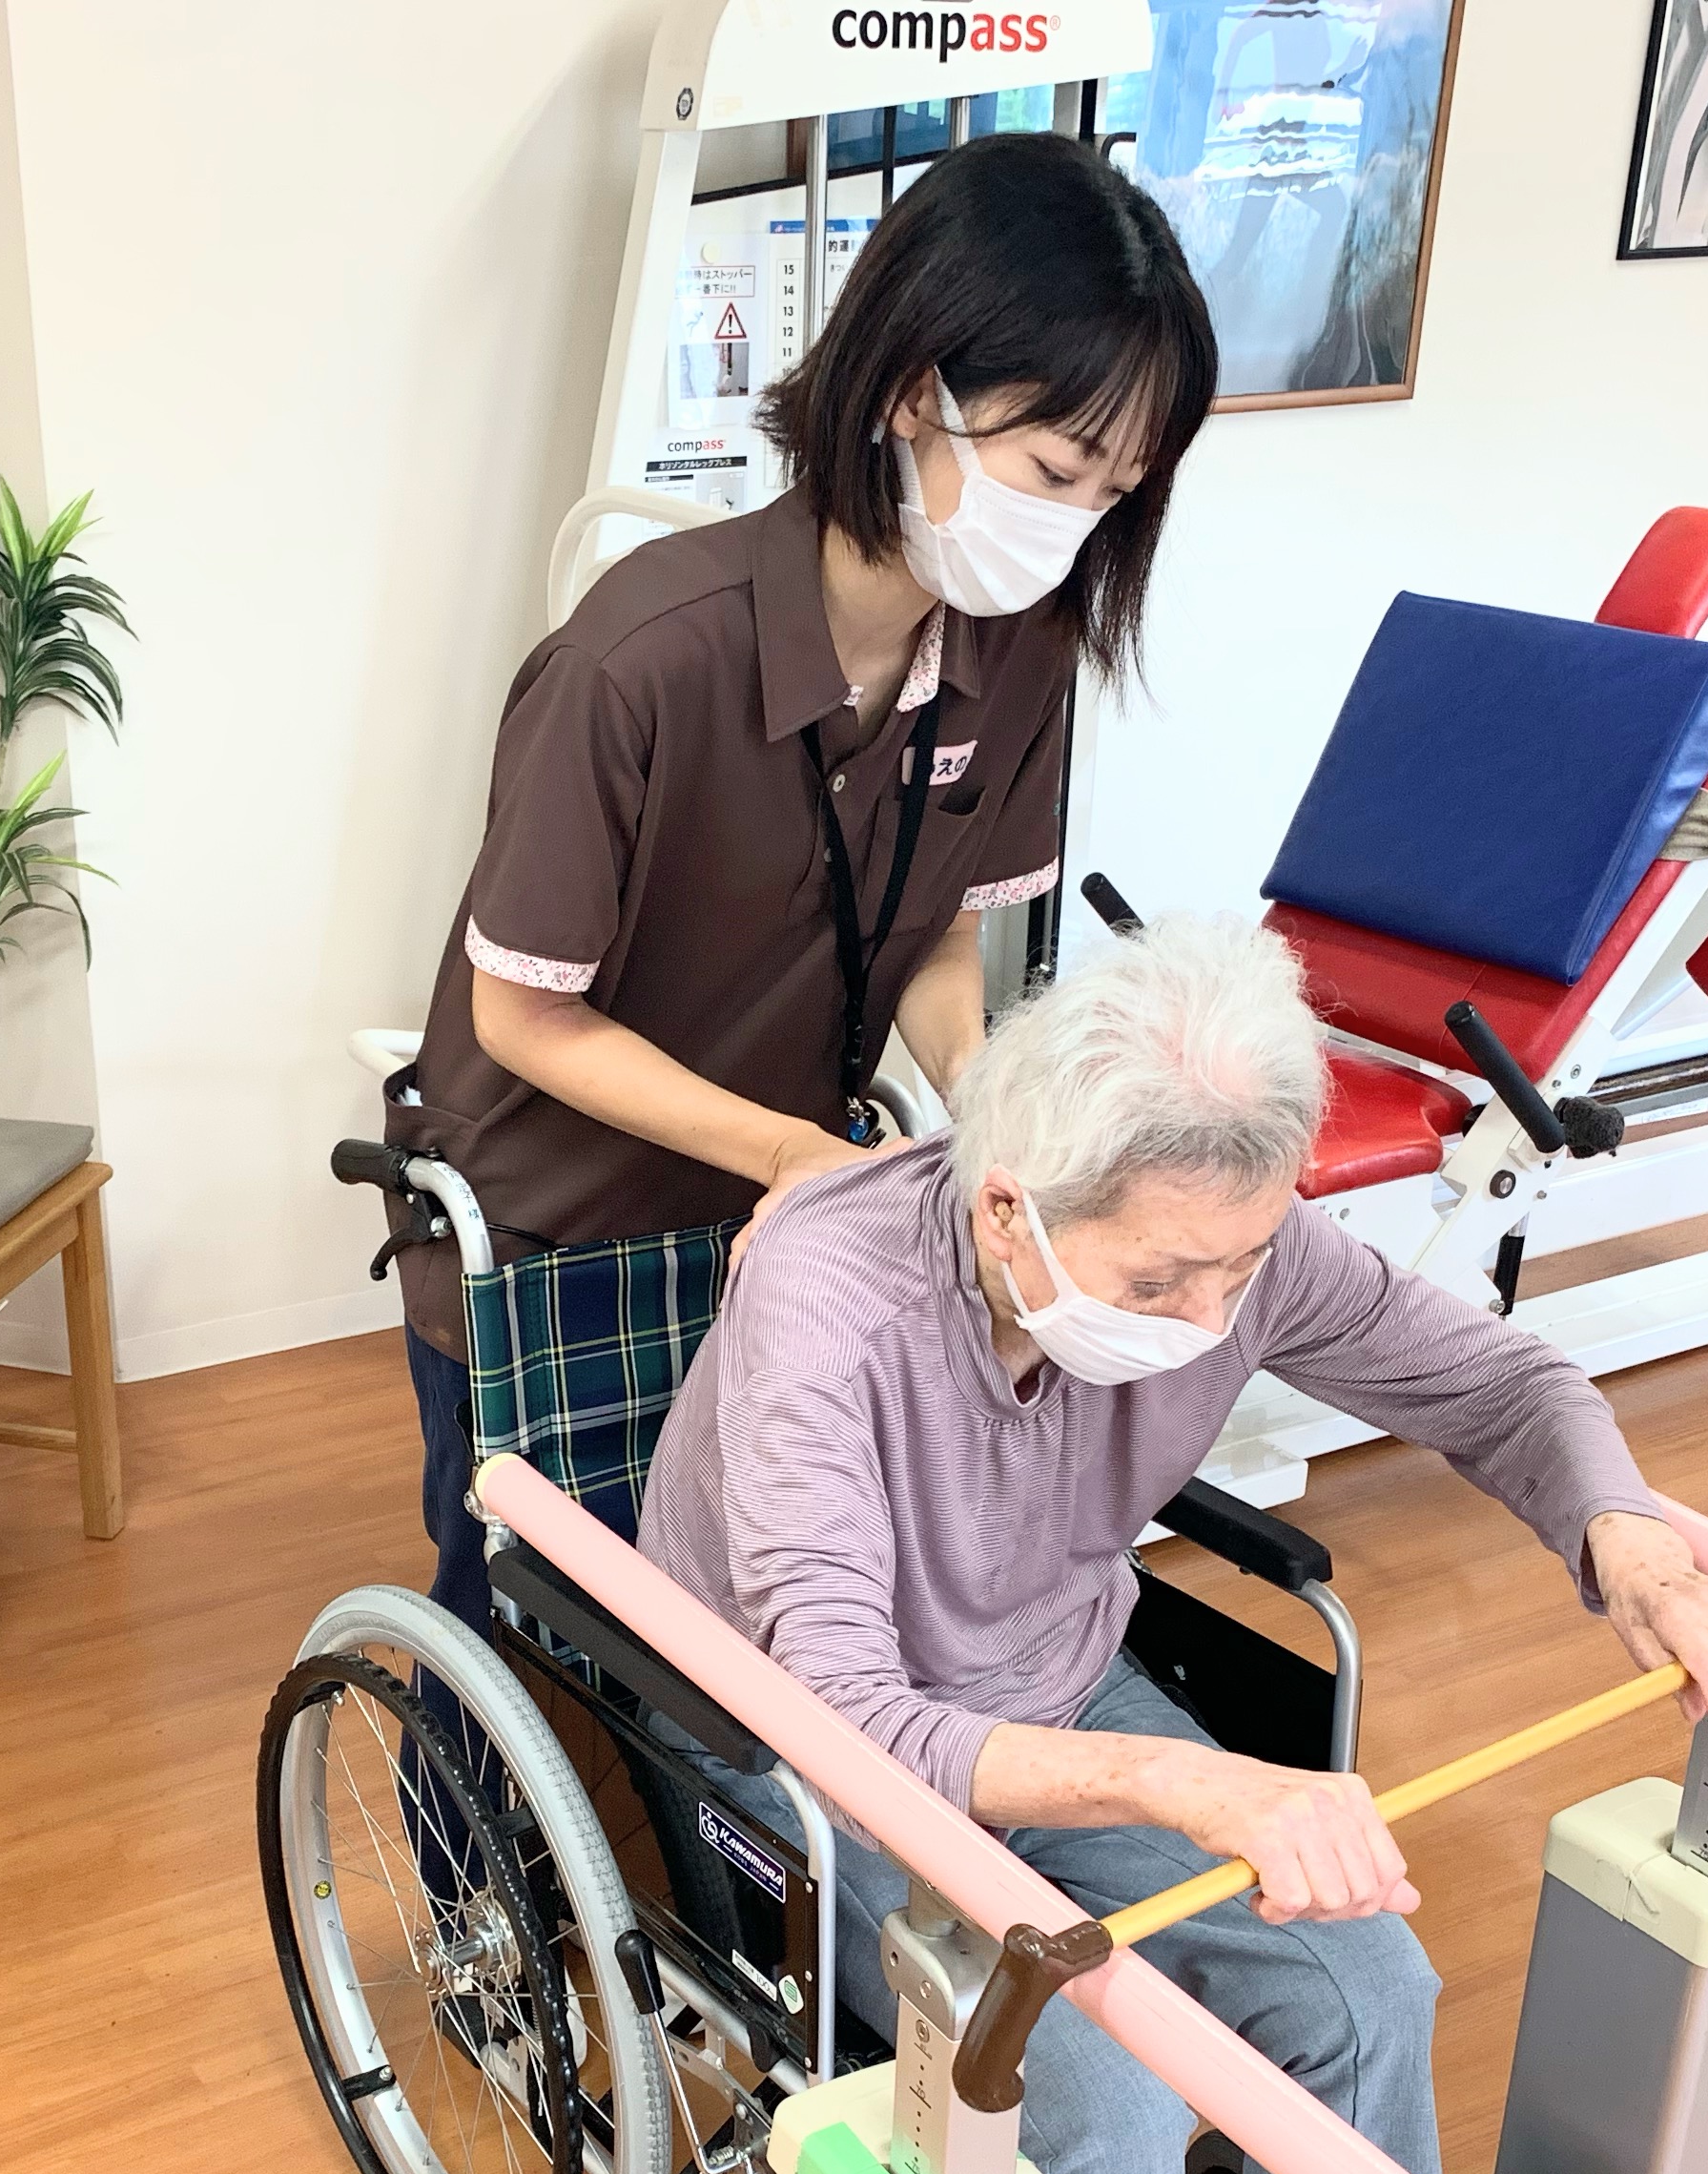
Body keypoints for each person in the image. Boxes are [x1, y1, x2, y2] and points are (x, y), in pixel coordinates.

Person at [636, 915, 1708, 2174]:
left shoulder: (1228, 1240)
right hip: (817, 1761)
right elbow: (845, 1717)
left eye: (1243, 1267)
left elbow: (1506, 1386)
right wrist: (1194, 1788)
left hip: (1055, 1685)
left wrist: (1637, 1548)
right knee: (1097, 2097)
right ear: (1009, 1213)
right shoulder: (828, 1303)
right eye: (1165, 1279)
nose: (1211, 1320)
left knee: (1367, 1988)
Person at [383, 129, 1215, 1625]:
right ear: (911, 391)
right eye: (1054, 470)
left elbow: (936, 928)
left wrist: (998, 1106)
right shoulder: (640, 661)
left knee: (751, 1605)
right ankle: (457, 1792)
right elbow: (520, 1016)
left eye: (1115, 491)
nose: (1074, 523)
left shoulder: (1022, 651)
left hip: (798, 1206)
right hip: (554, 1224)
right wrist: (787, 1152)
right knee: (532, 1616)